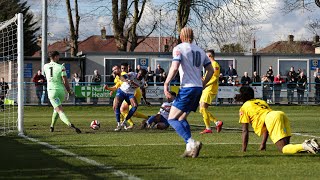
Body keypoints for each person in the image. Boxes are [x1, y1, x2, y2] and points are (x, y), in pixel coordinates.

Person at [163, 27, 214, 158]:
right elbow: (211, 71)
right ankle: (189, 148)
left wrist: (166, 83)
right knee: (181, 118)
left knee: (172, 119)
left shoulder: (179, 48)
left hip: (187, 88)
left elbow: (175, 67)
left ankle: (191, 142)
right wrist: (202, 84)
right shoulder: (201, 50)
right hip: (197, 88)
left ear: (181, 36)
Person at [235, 86, 320, 154]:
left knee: (283, 149)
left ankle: (306, 145)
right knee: (288, 147)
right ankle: (311, 147)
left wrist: (243, 149)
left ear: (243, 96)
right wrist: (263, 144)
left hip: (272, 118)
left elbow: (245, 131)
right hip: (280, 114)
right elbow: (266, 126)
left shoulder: (244, 107)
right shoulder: (260, 101)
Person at [43, 51, 81, 133]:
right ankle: (52, 126)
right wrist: (69, 91)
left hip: (52, 92)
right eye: (58, 56)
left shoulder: (45, 66)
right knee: (56, 109)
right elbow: (65, 81)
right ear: (55, 57)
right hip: (60, 91)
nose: (59, 58)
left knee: (59, 110)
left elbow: (48, 76)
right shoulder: (61, 67)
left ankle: (69, 123)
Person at [199, 49, 223, 134]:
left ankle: (209, 128)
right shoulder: (209, 66)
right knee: (202, 109)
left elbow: (215, 78)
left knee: (202, 108)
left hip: (210, 88)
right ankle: (216, 122)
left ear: (210, 56)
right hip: (207, 88)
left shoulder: (215, 64)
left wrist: (206, 84)